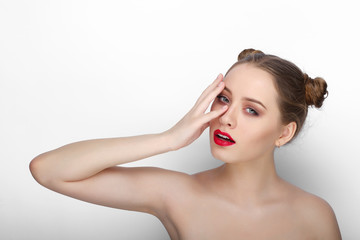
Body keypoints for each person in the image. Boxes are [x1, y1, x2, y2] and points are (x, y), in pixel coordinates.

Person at [30, 49, 341, 239]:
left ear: (283, 133)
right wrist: (169, 139)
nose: (226, 118)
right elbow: (48, 170)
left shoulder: (315, 215)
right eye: (223, 99)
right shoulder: (176, 194)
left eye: (251, 110)